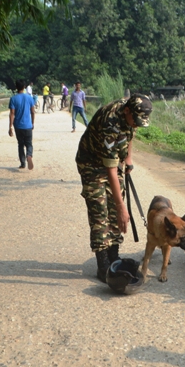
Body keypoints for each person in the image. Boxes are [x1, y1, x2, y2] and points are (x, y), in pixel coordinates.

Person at [76, 94, 153, 282]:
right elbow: (109, 169)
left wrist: (128, 159)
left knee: (115, 209)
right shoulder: (109, 124)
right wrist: (121, 207)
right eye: (134, 120)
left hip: (113, 162)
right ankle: (103, 264)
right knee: (100, 211)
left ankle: (113, 256)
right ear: (127, 111)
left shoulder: (128, 111)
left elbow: (130, 132)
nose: (136, 124)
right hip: (92, 164)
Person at [8, 79, 36, 170]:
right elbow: (33, 112)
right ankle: (29, 155)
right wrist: (32, 123)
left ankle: (23, 163)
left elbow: (12, 113)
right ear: (24, 87)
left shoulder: (13, 99)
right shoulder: (29, 98)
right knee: (29, 144)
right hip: (27, 125)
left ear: (16, 87)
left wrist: (10, 127)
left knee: (20, 144)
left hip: (18, 126)